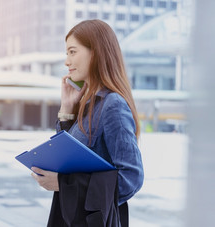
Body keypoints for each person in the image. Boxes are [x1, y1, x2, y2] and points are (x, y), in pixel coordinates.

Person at [31, 19, 144, 227]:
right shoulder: (88, 104)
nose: (67, 61)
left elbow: (131, 178)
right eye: (67, 53)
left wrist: (64, 185)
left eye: (72, 52)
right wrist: (66, 111)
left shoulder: (113, 105)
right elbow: (66, 160)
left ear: (95, 52)